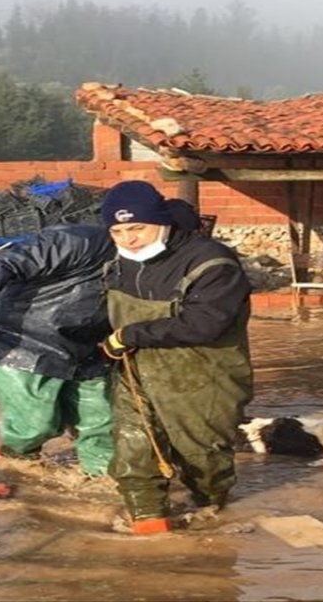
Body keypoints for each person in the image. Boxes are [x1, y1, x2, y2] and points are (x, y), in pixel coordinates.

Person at [99, 181, 253, 535]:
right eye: (118, 231)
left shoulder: (212, 263)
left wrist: (129, 335)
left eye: (137, 227)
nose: (128, 239)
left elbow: (203, 325)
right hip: (135, 371)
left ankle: (209, 508)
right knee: (132, 453)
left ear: (162, 221)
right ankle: (151, 538)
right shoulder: (119, 263)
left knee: (203, 459)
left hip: (203, 374)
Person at [0, 224, 117, 478]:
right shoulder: (77, 241)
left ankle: (105, 483)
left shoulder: (154, 262)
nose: (134, 238)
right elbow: (6, 264)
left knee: (102, 421)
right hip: (20, 342)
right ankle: (16, 467)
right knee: (36, 424)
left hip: (86, 347)